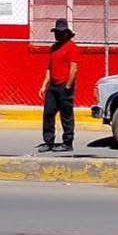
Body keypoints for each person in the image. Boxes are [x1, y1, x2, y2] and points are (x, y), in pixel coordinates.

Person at [39, 19, 78, 153]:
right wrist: (44, 85)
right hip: (53, 86)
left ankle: (67, 143)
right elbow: (49, 68)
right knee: (48, 114)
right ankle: (48, 141)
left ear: (67, 33)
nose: (58, 35)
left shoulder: (72, 47)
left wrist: (68, 86)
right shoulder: (53, 48)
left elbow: (73, 68)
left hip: (64, 86)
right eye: (56, 32)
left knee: (66, 115)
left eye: (61, 32)